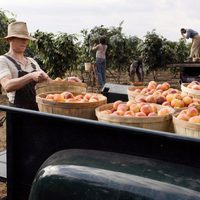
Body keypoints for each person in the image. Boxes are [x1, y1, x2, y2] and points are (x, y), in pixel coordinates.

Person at [0, 21, 81, 111]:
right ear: (9, 40)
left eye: (26, 39)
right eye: (20, 38)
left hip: (37, 110)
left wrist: (66, 81)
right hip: (18, 112)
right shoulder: (3, 60)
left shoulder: (32, 62)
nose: (24, 42)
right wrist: (30, 76)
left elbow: (49, 82)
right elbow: (7, 85)